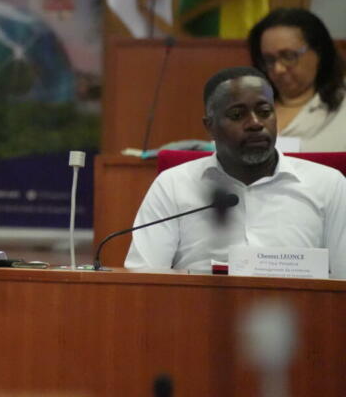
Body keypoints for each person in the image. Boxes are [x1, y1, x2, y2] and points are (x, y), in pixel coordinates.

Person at [125, 67, 346, 278]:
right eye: (237, 115)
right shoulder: (173, 185)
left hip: (299, 305)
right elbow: (143, 279)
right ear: (210, 126)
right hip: (198, 304)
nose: (255, 124)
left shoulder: (328, 184)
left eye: (264, 112)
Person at [247, 7, 346, 150]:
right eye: (269, 59)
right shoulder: (248, 104)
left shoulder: (342, 105)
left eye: (289, 56)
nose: (278, 69)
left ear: (319, 52)